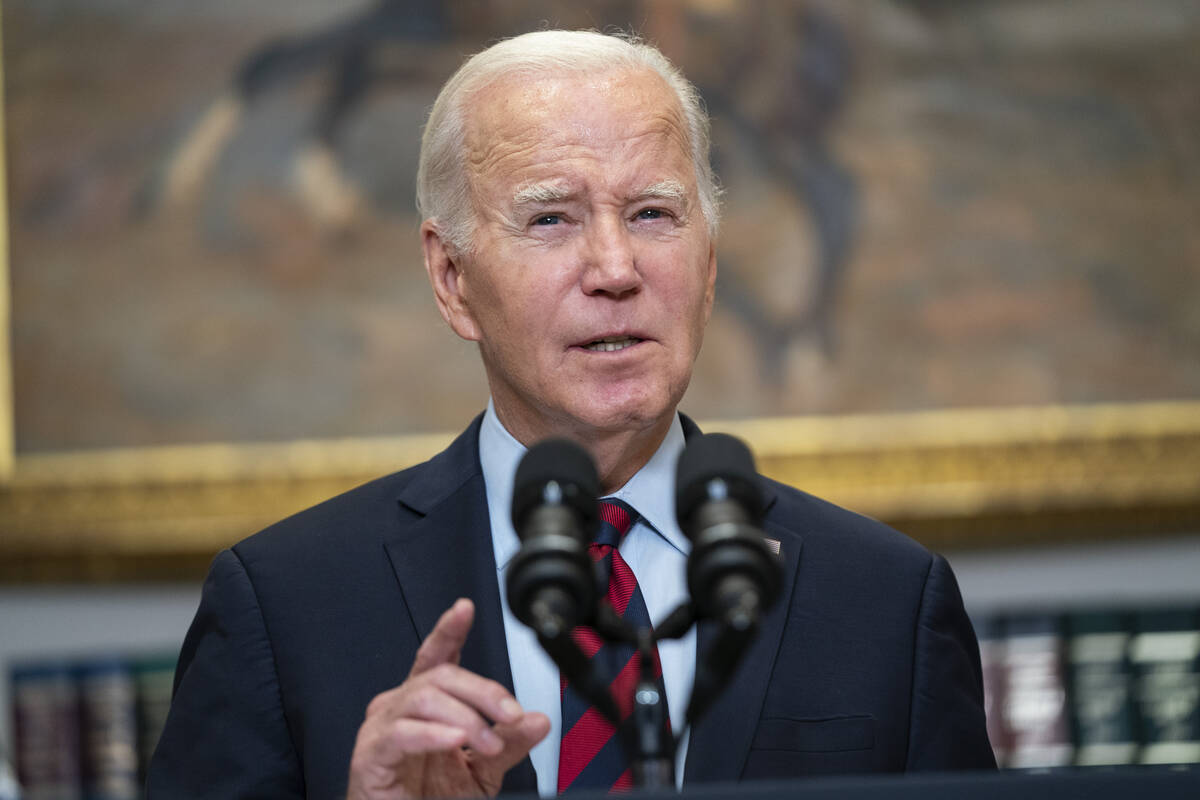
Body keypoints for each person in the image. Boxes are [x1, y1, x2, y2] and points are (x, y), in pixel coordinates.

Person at [147, 30, 995, 799]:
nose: (616, 269)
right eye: (550, 219)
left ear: (707, 264)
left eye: (653, 214)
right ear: (452, 279)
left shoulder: (888, 601)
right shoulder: (286, 604)